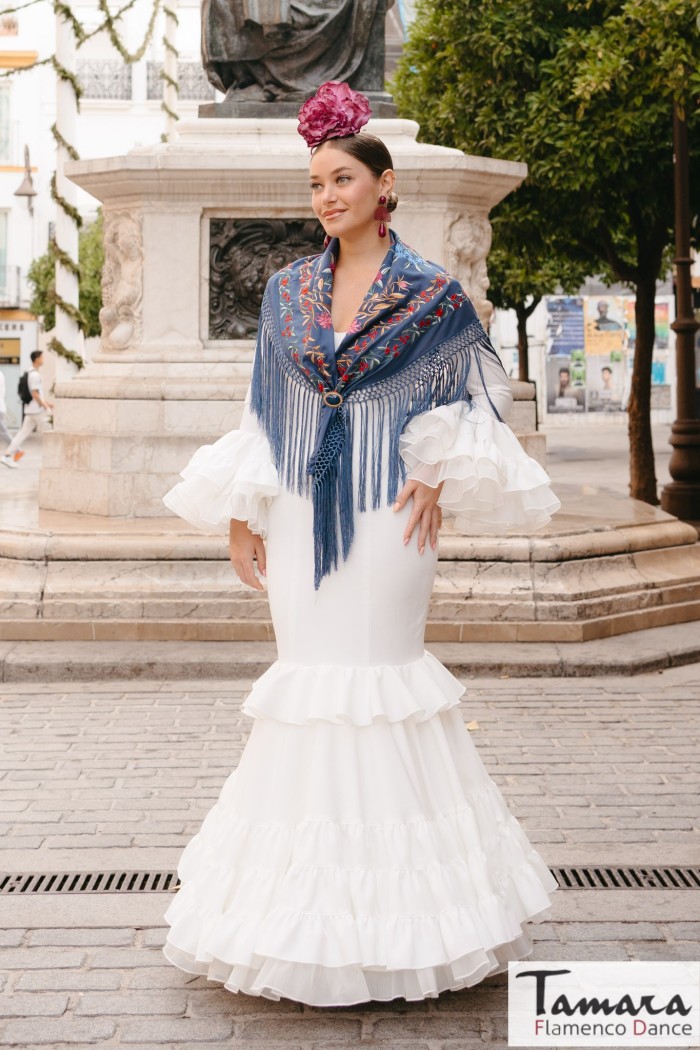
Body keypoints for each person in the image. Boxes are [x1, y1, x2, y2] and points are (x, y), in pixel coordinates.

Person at [161, 81, 561, 1007]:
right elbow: (265, 409)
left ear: (384, 187)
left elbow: (482, 393)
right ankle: (289, 917)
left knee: (381, 689)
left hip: (391, 519)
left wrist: (437, 469)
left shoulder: (432, 293)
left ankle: (413, 922)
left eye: (342, 178)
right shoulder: (285, 291)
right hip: (299, 512)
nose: (326, 196)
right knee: (306, 695)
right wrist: (242, 511)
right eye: (315, 184)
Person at [1, 351, 53, 469]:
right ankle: (53, 459)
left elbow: (36, 394)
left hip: (30, 409)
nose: (43, 359)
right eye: (42, 357)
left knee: (22, 434)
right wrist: (45, 406)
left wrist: (47, 403)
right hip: (37, 410)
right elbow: (35, 394)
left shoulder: (29, 372)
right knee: (50, 432)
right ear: (37, 359)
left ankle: (7, 455)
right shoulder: (35, 375)